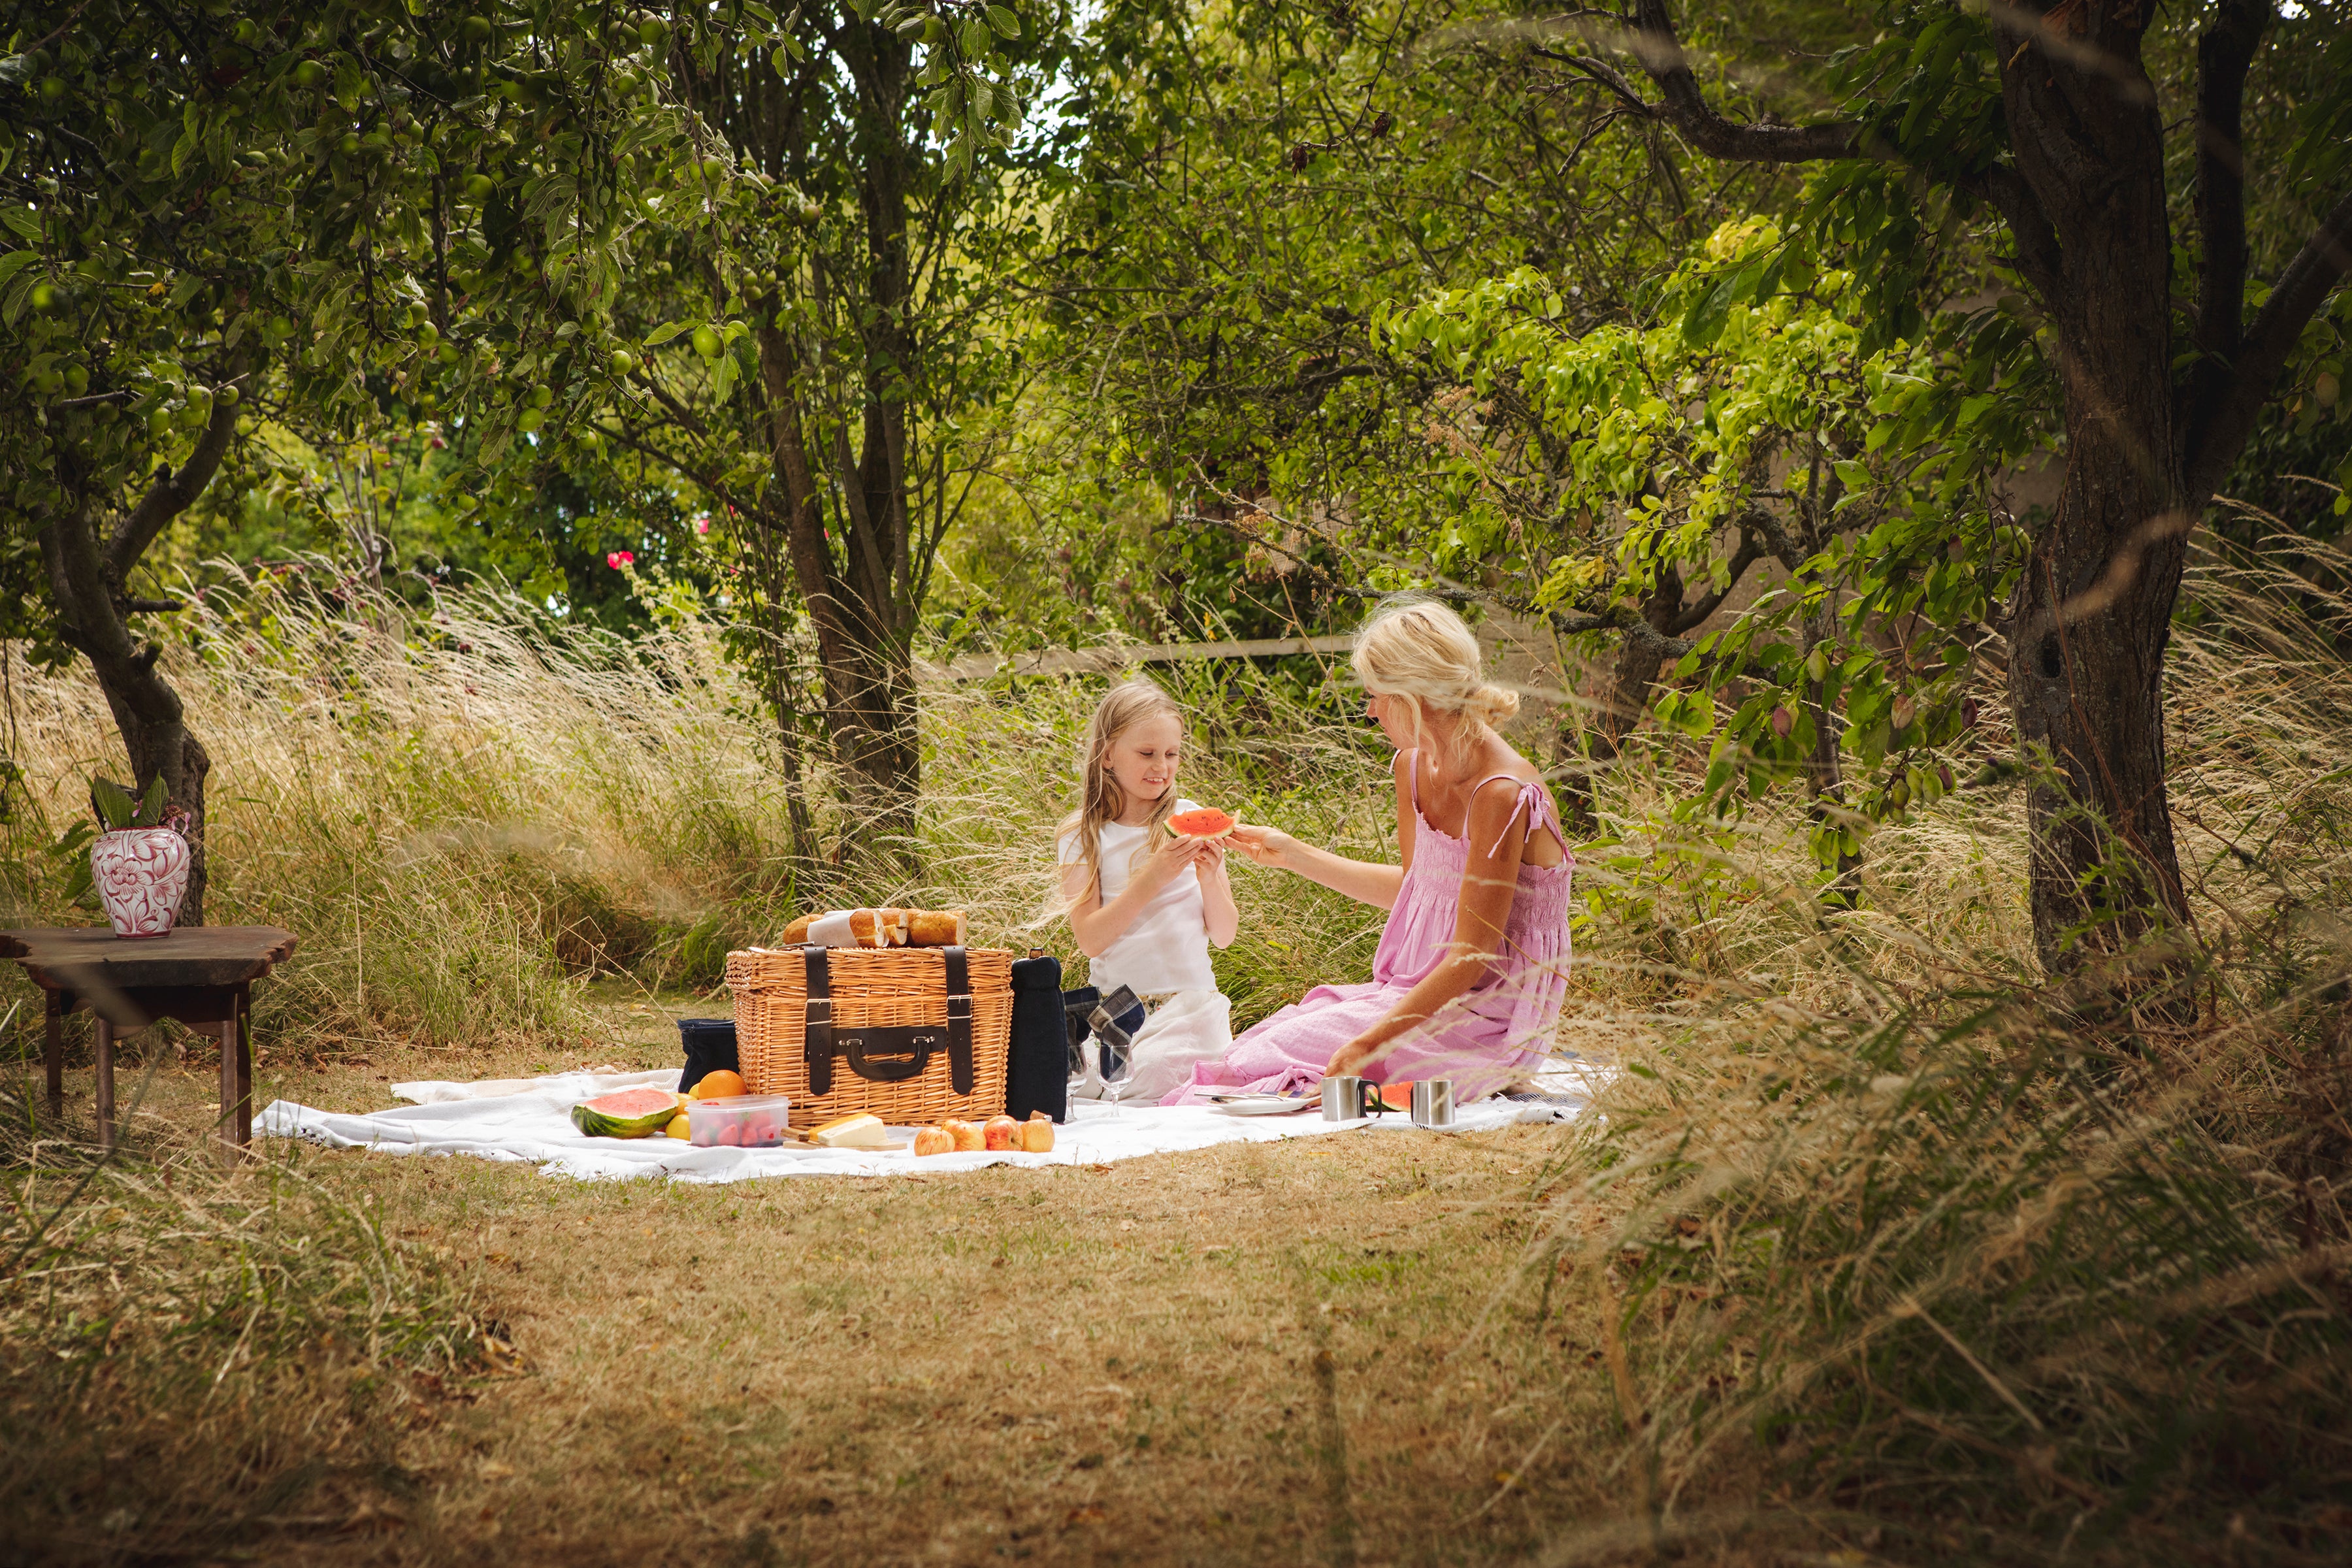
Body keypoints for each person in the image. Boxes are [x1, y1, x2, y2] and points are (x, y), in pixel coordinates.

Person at [1165, 598, 1573, 1106]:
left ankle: (1475, 1074)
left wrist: (1368, 1042)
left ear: (1413, 697)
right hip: (1425, 991)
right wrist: (1292, 853)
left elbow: (1471, 959)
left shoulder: (1500, 793)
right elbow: (1417, 888)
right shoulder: (1412, 765)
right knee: (1267, 1039)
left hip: (1493, 1014)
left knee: (1269, 1060)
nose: (1370, 710)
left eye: (1377, 695)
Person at [1056, 679, 1239, 1102]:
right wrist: (1154, 876)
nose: (1162, 766)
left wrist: (1210, 877)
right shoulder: (1079, 834)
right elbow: (1090, 939)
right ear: (1107, 756)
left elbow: (1225, 935)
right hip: (1114, 1014)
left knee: (1152, 1074)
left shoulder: (1191, 817)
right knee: (1074, 1085)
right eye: (1146, 753)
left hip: (1189, 1011)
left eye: (1172, 754)